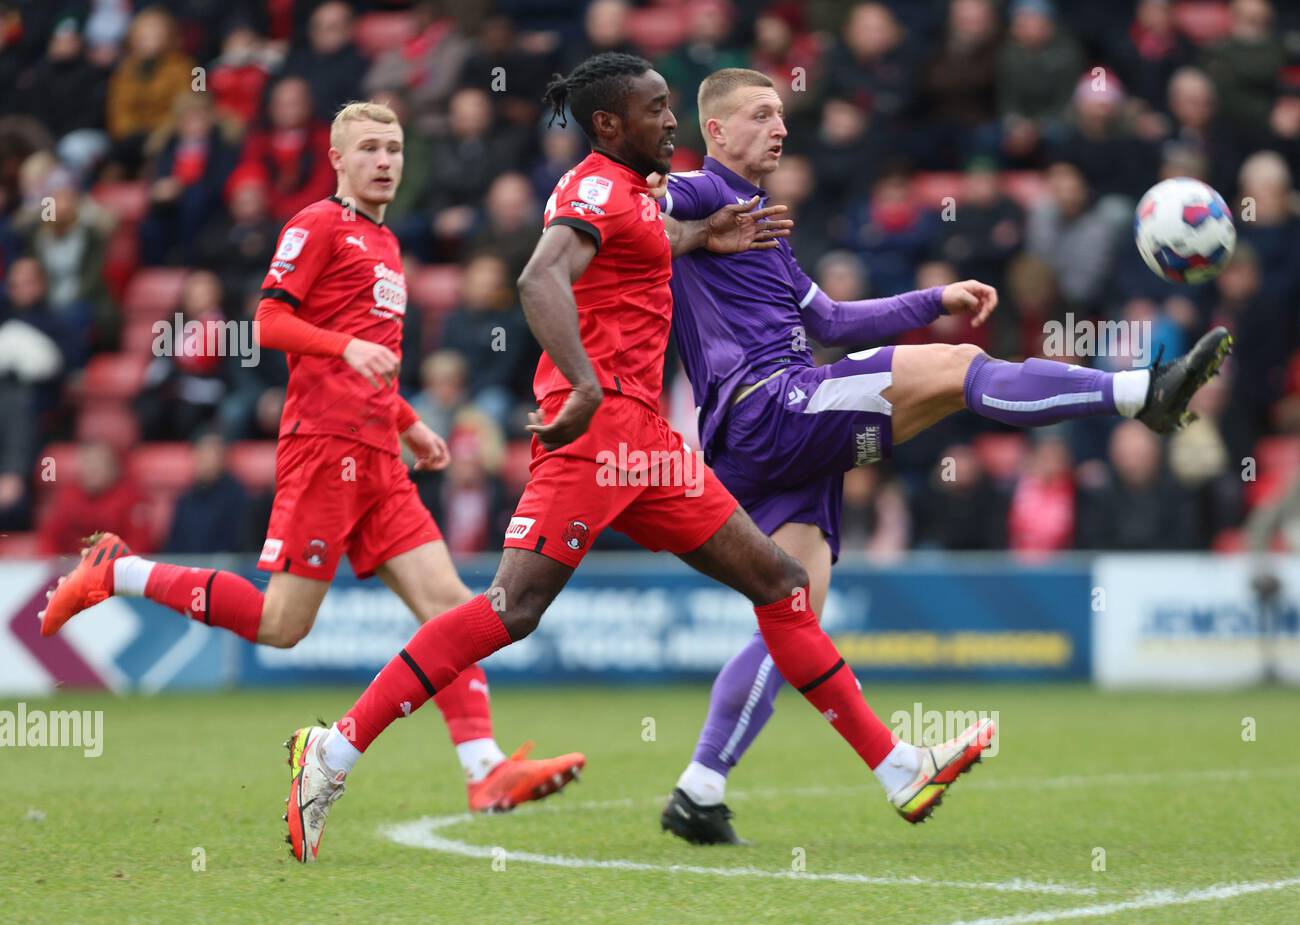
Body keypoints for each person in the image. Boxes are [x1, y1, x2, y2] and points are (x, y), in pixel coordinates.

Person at [281, 53, 997, 866]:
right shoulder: (590, 188)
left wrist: (703, 234)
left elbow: (643, 241)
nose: (671, 123)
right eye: (657, 110)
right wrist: (581, 382)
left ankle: (900, 768)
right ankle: (333, 752)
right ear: (610, 124)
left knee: (781, 585)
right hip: (595, 433)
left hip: (648, 442)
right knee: (512, 610)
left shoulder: (639, 197)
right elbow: (538, 276)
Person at [656, 67, 1235, 844]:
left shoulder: (762, 221)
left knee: (790, 615)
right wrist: (691, 227)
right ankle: (1142, 393)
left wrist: (935, 299)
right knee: (962, 371)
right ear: (717, 132)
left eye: (784, 114)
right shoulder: (696, 191)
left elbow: (828, 317)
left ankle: (703, 786)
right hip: (771, 406)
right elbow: (634, 223)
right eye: (762, 115)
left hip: (760, 439)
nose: (781, 128)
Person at [38, 100, 584, 823]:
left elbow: (370, 364)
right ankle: (118, 570)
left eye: (393, 147)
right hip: (324, 450)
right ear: (337, 159)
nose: (385, 160)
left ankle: (484, 771)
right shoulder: (316, 224)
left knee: (452, 608)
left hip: (379, 456)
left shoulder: (388, 246)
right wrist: (343, 347)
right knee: (281, 624)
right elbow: (266, 320)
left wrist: (410, 422)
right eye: (368, 149)